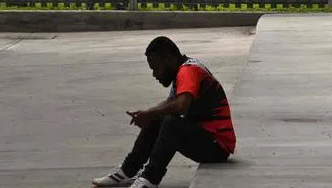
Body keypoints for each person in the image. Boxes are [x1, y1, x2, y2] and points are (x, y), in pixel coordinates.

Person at [91, 36, 236, 188]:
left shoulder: (188, 71)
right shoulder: (183, 69)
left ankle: (150, 178)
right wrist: (147, 114)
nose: (154, 75)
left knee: (169, 123)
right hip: (207, 140)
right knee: (159, 118)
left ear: (168, 59)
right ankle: (127, 171)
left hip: (217, 146)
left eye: (155, 68)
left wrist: (151, 114)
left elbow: (181, 106)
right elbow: (169, 103)